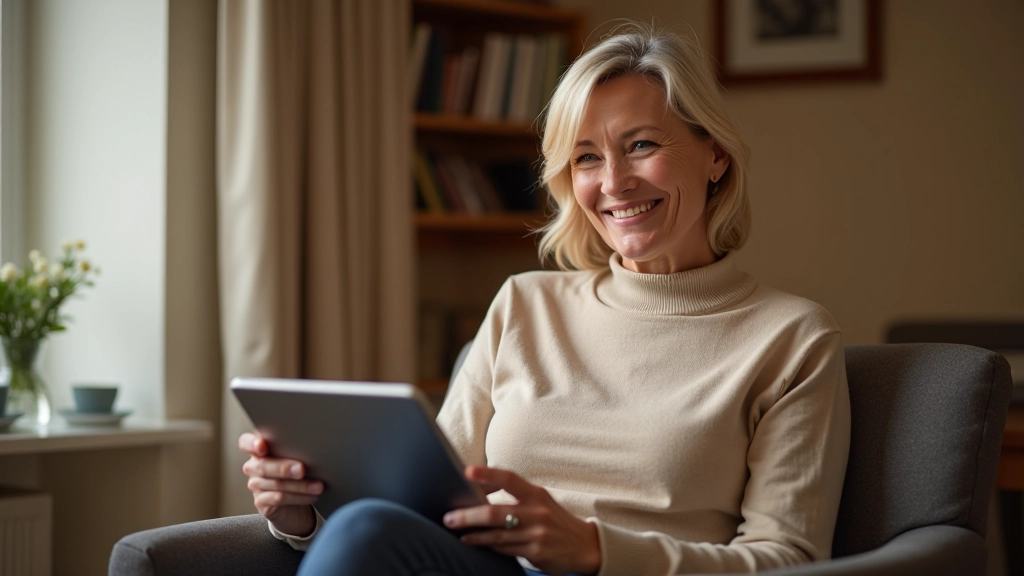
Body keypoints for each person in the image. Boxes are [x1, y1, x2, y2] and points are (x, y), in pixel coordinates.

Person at [239, 23, 850, 576]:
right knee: (366, 524)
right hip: (488, 568)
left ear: (714, 154)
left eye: (641, 145)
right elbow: (424, 503)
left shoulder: (791, 337)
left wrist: (595, 549)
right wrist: (301, 514)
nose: (613, 183)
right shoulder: (522, 305)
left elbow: (787, 559)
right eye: (587, 157)